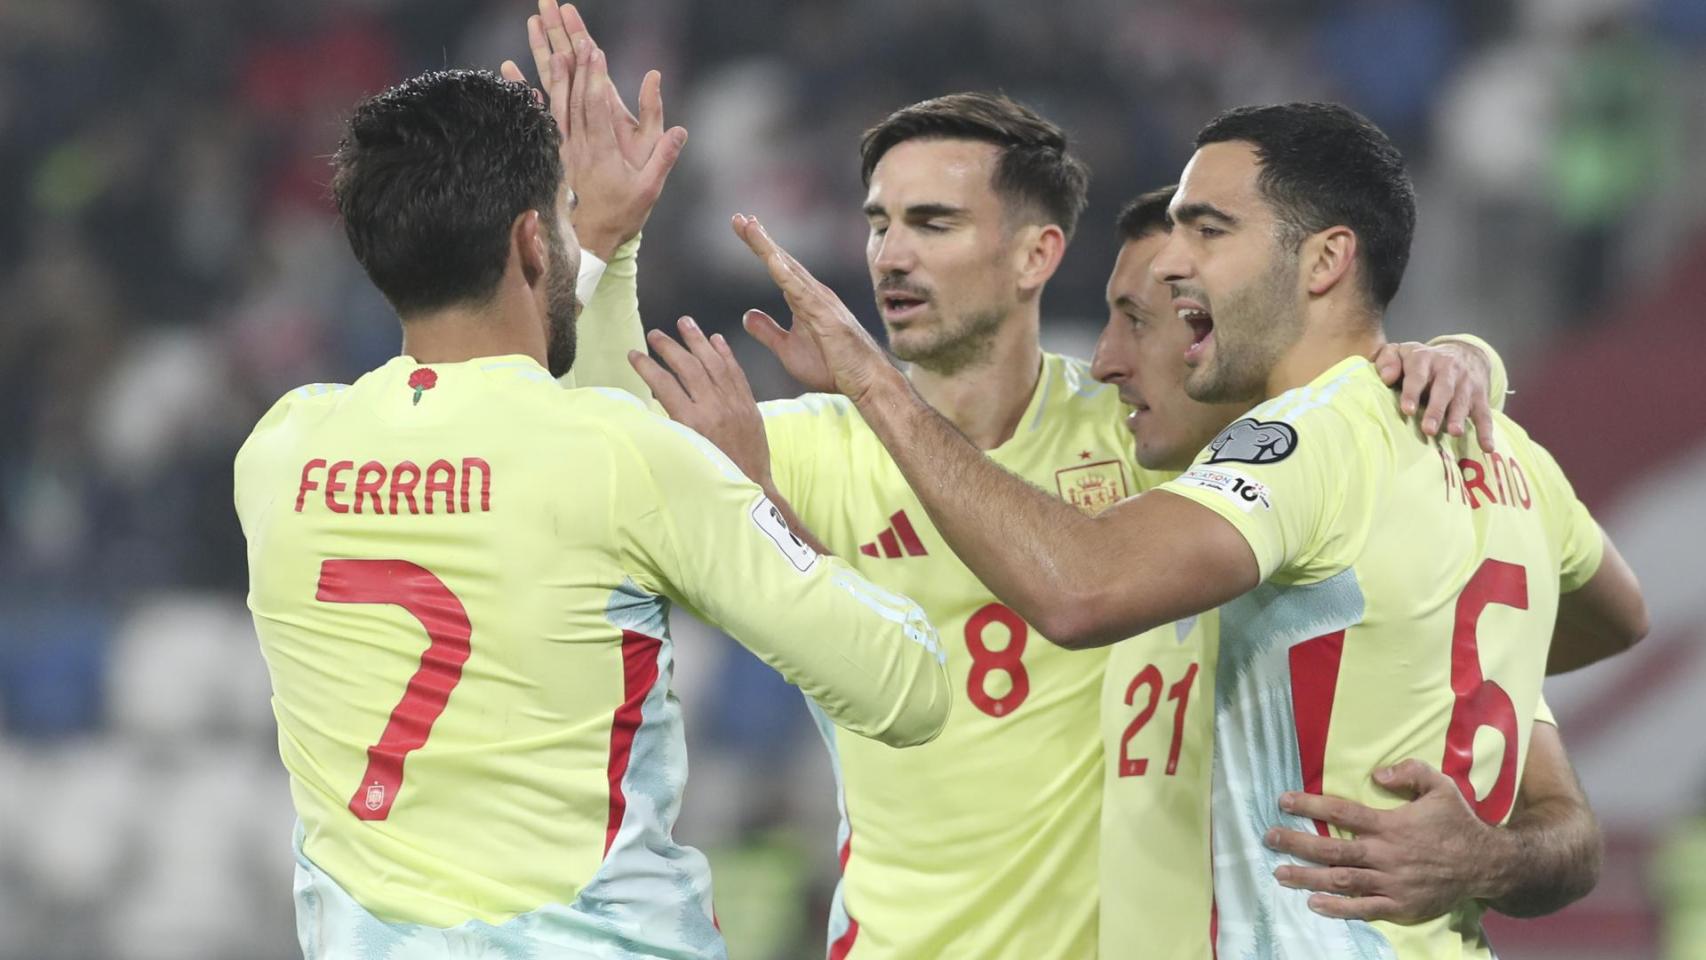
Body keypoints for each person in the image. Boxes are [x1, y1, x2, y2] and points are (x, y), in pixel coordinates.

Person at [708, 101, 1648, 957]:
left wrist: (874, 383)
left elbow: (1078, 589)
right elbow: (1613, 639)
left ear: (1323, 260)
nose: (1112, 358)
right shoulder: (1495, 464)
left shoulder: (1295, 459)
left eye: (1202, 245)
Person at [233, 46, 949, 960]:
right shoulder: (626, 462)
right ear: (534, 241)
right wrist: (755, 493)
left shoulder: (281, 452)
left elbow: (504, 436)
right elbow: (905, 687)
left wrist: (598, 248)